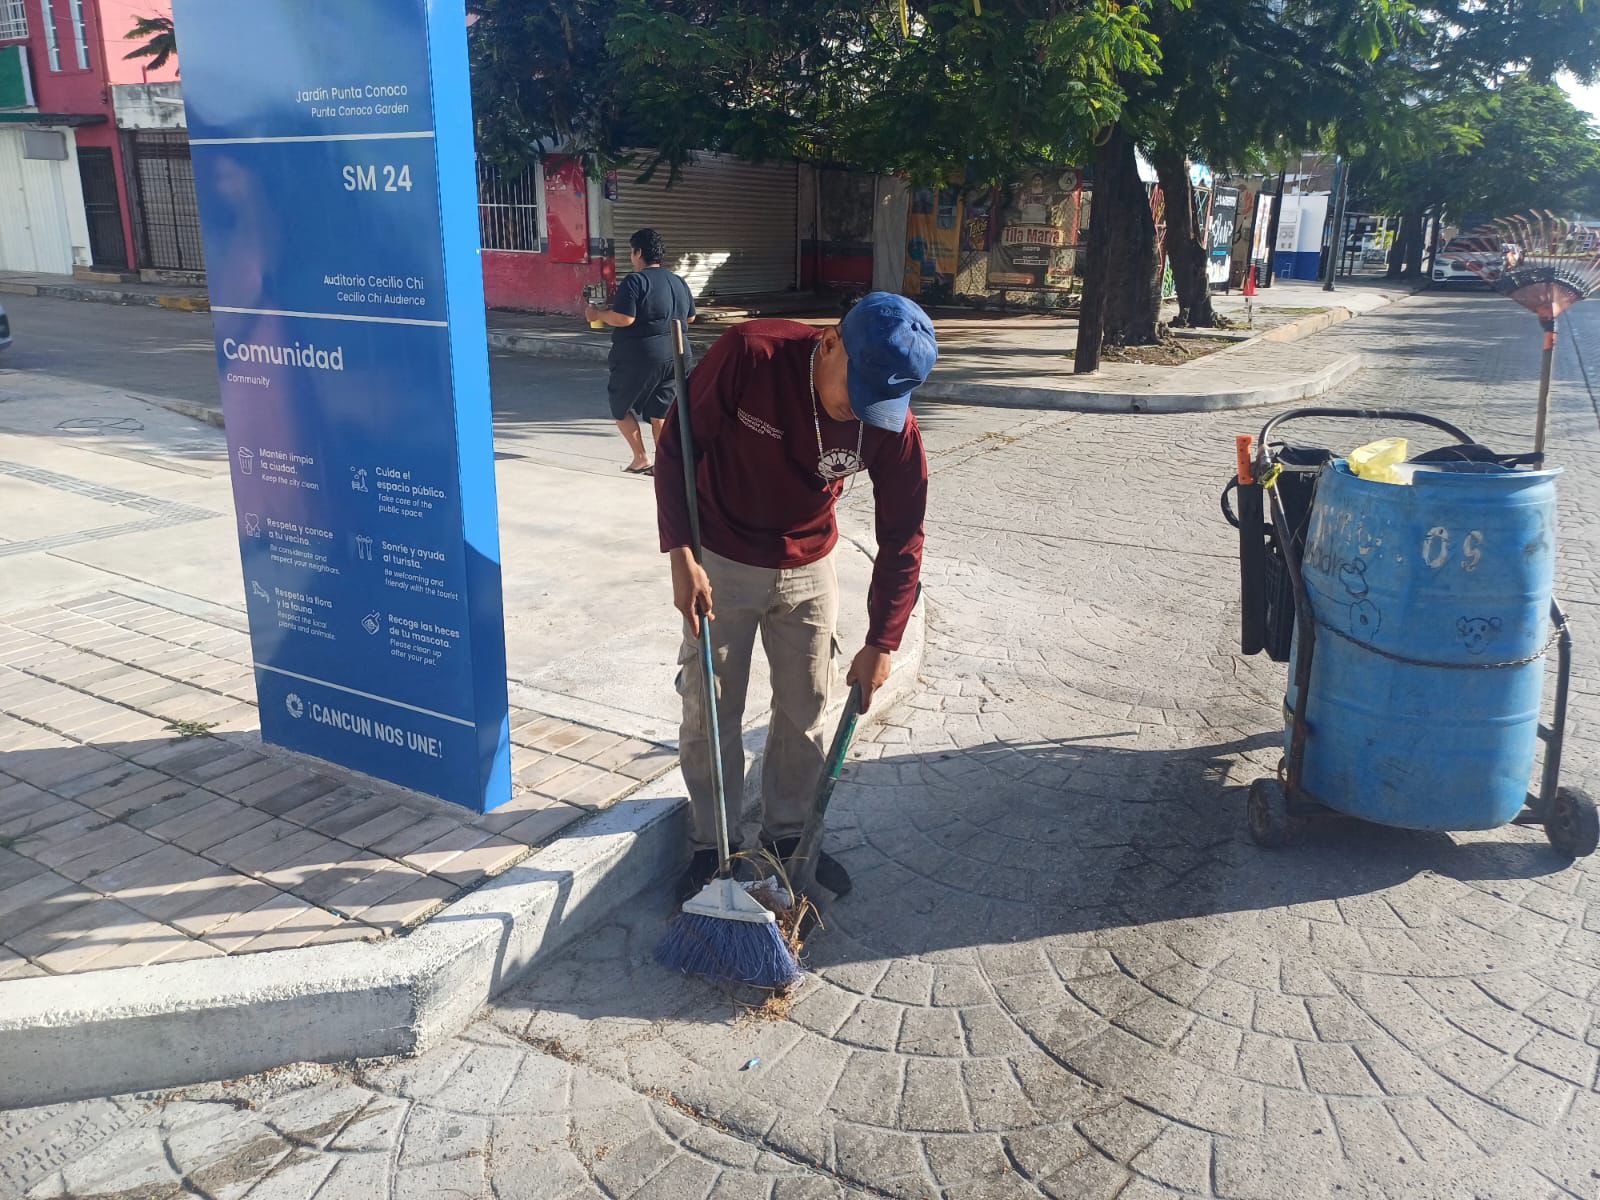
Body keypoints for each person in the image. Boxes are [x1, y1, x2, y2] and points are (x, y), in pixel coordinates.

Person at [655, 292, 937, 900]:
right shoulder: (751, 353)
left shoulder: (891, 423)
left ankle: (788, 840)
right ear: (830, 342)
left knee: (806, 707)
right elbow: (677, 446)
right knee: (710, 708)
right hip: (721, 557)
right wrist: (681, 555)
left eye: (880, 402)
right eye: (856, 392)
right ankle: (713, 848)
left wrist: (883, 641)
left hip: (810, 564)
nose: (861, 412)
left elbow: (903, 535)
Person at [585, 228, 696, 475]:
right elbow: (690, 316)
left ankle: (641, 458)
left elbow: (624, 318)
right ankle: (665, 466)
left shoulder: (636, 281)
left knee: (620, 406)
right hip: (679, 353)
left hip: (642, 355)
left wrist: (598, 314)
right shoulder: (678, 281)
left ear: (638, 253)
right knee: (661, 411)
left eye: (631, 252)